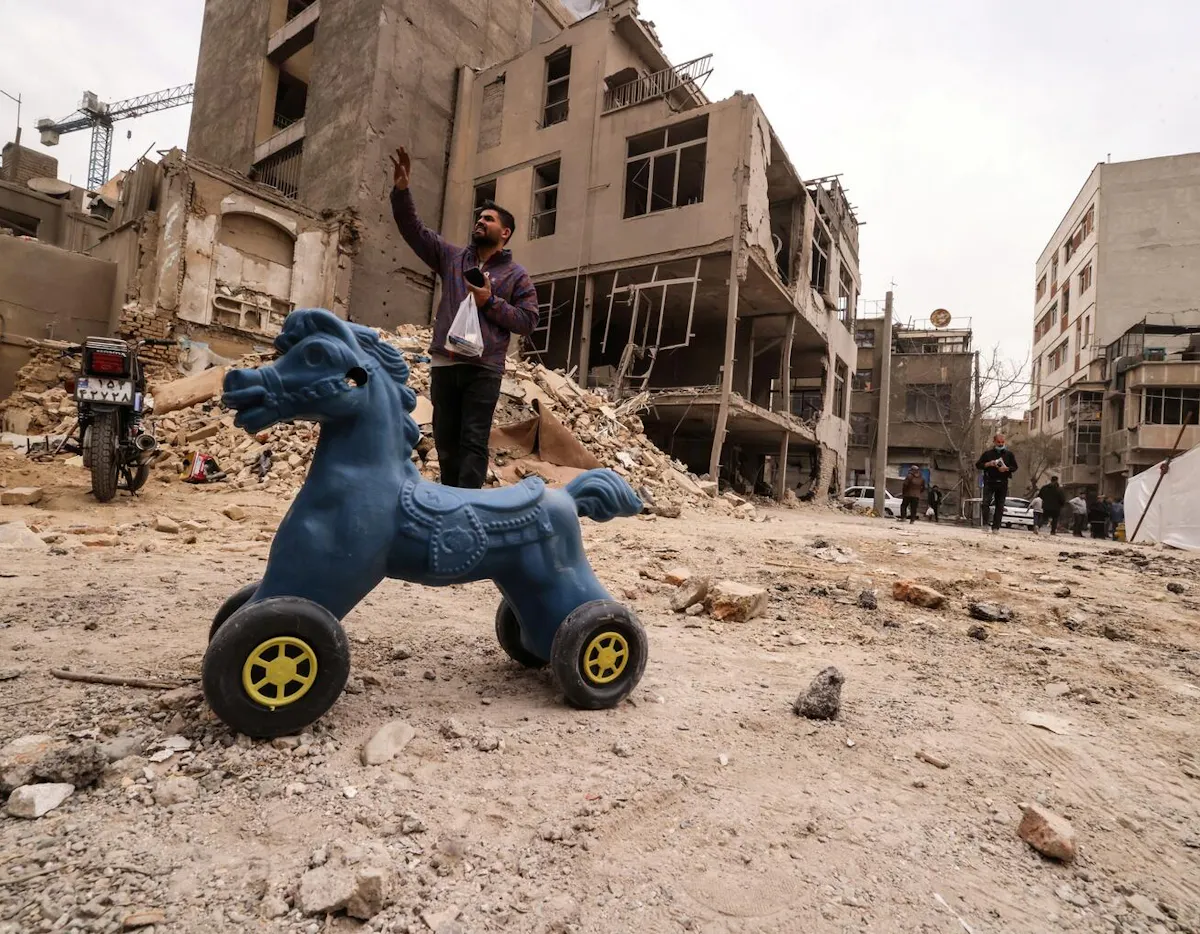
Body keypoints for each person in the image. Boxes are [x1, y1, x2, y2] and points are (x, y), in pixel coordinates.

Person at [389, 146, 539, 489]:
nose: (480, 221)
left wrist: (489, 302)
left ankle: (467, 506)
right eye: (479, 217)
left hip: (484, 368)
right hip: (446, 363)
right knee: (446, 442)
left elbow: (528, 321)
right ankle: (448, 501)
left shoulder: (517, 276)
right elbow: (414, 230)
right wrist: (402, 192)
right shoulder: (452, 257)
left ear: (505, 233)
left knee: (473, 441)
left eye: (489, 219)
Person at [975, 433, 1018, 534]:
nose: (1000, 444)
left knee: (1000, 505)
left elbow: (1015, 467)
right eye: (998, 442)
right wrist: (989, 464)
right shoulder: (987, 454)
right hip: (989, 481)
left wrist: (1006, 468)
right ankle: (985, 524)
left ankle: (996, 527)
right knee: (986, 503)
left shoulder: (1009, 454)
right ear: (994, 442)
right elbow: (978, 465)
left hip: (1003, 482)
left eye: (1002, 442)